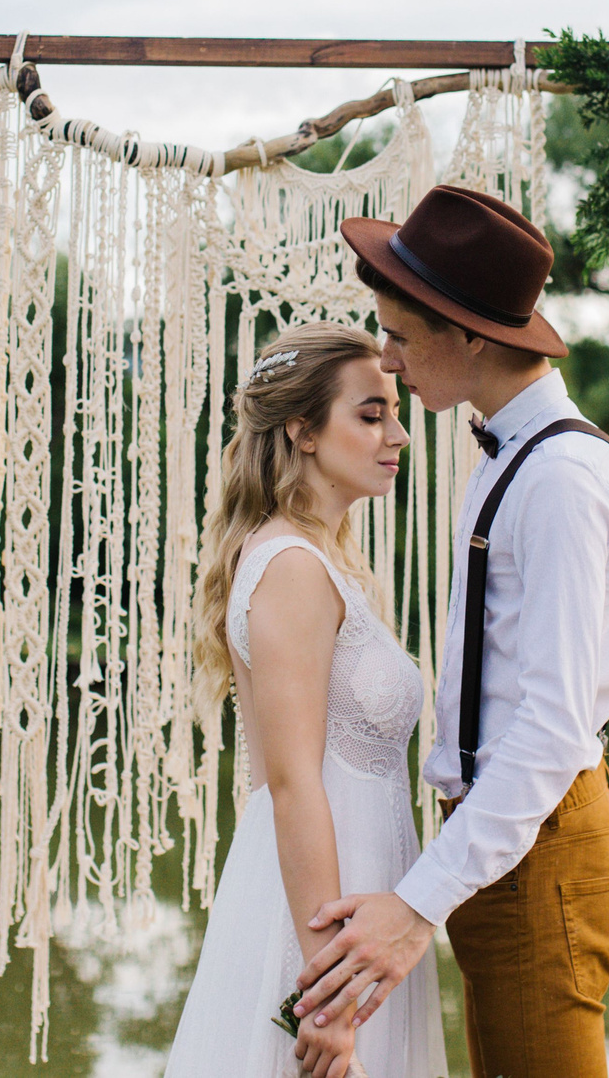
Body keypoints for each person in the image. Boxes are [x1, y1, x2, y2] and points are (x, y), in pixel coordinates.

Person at [295, 185, 609, 1078]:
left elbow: (551, 731)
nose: (389, 358)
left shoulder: (560, 478)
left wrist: (417, 908)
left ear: (471, 337)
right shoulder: (508, 456)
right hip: (502, 843)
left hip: (541, 844)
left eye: (403, 336)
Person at [165, 321, 448, 1078]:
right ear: (304, 430)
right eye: (370, 413)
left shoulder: (320, 560)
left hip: (361, 905)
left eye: (394, 411)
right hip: (324, 919)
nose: (398, 434)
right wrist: (327, 999)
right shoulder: (290, 565)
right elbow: (290, 786)